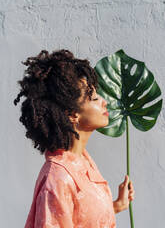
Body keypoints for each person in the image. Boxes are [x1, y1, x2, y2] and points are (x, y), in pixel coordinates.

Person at [14, 49, 135, 228]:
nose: (104, 101)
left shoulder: (81, 159)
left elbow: (81, 217)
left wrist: (117, 205)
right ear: (72, 114)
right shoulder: (57, 178)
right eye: (93, 98)